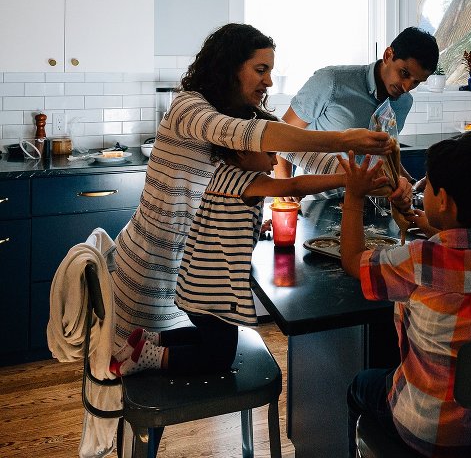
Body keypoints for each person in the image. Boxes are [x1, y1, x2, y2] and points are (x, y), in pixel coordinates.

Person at [110, 23, 393, 353]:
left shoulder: (245, 115)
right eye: (261, 70)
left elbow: (309, 156)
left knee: (182, 365)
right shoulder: (187, 106)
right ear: (229, 68)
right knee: (133, 373)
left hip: (190, 270)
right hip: (148, 264)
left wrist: (377, 182)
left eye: (270, 71)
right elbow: (243, 133)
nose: (269, 81)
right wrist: (343, 139)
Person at [110, 115, 357, 376]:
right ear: (242, 151)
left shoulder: (223, 174)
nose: (275, 160)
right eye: (270, 153)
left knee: (207, 336)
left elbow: (222, 215)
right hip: (213, 293)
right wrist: (345, 180)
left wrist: (253, 227)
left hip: (193, 285)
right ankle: (150, 358)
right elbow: (294, 184)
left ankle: (148, 340)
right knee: (219, 356)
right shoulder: (250, 179)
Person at [337, 131, 471, 458]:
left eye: (428, 188)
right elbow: (464, 248)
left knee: (361, 386)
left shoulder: (420, 259)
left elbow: (352, 261)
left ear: (444, 200)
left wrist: (353, 196)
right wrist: (435, 227)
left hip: (427, 431)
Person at [275, 26, 440, 201]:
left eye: (416, 82)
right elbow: (281, 137)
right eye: (404, 73)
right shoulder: (331, 82)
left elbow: (386, 153)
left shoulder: (404, 102)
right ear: (388, 55)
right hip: (317, 202)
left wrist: (411, 184)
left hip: (367, 204)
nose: (406, 87)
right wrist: (285, 187)